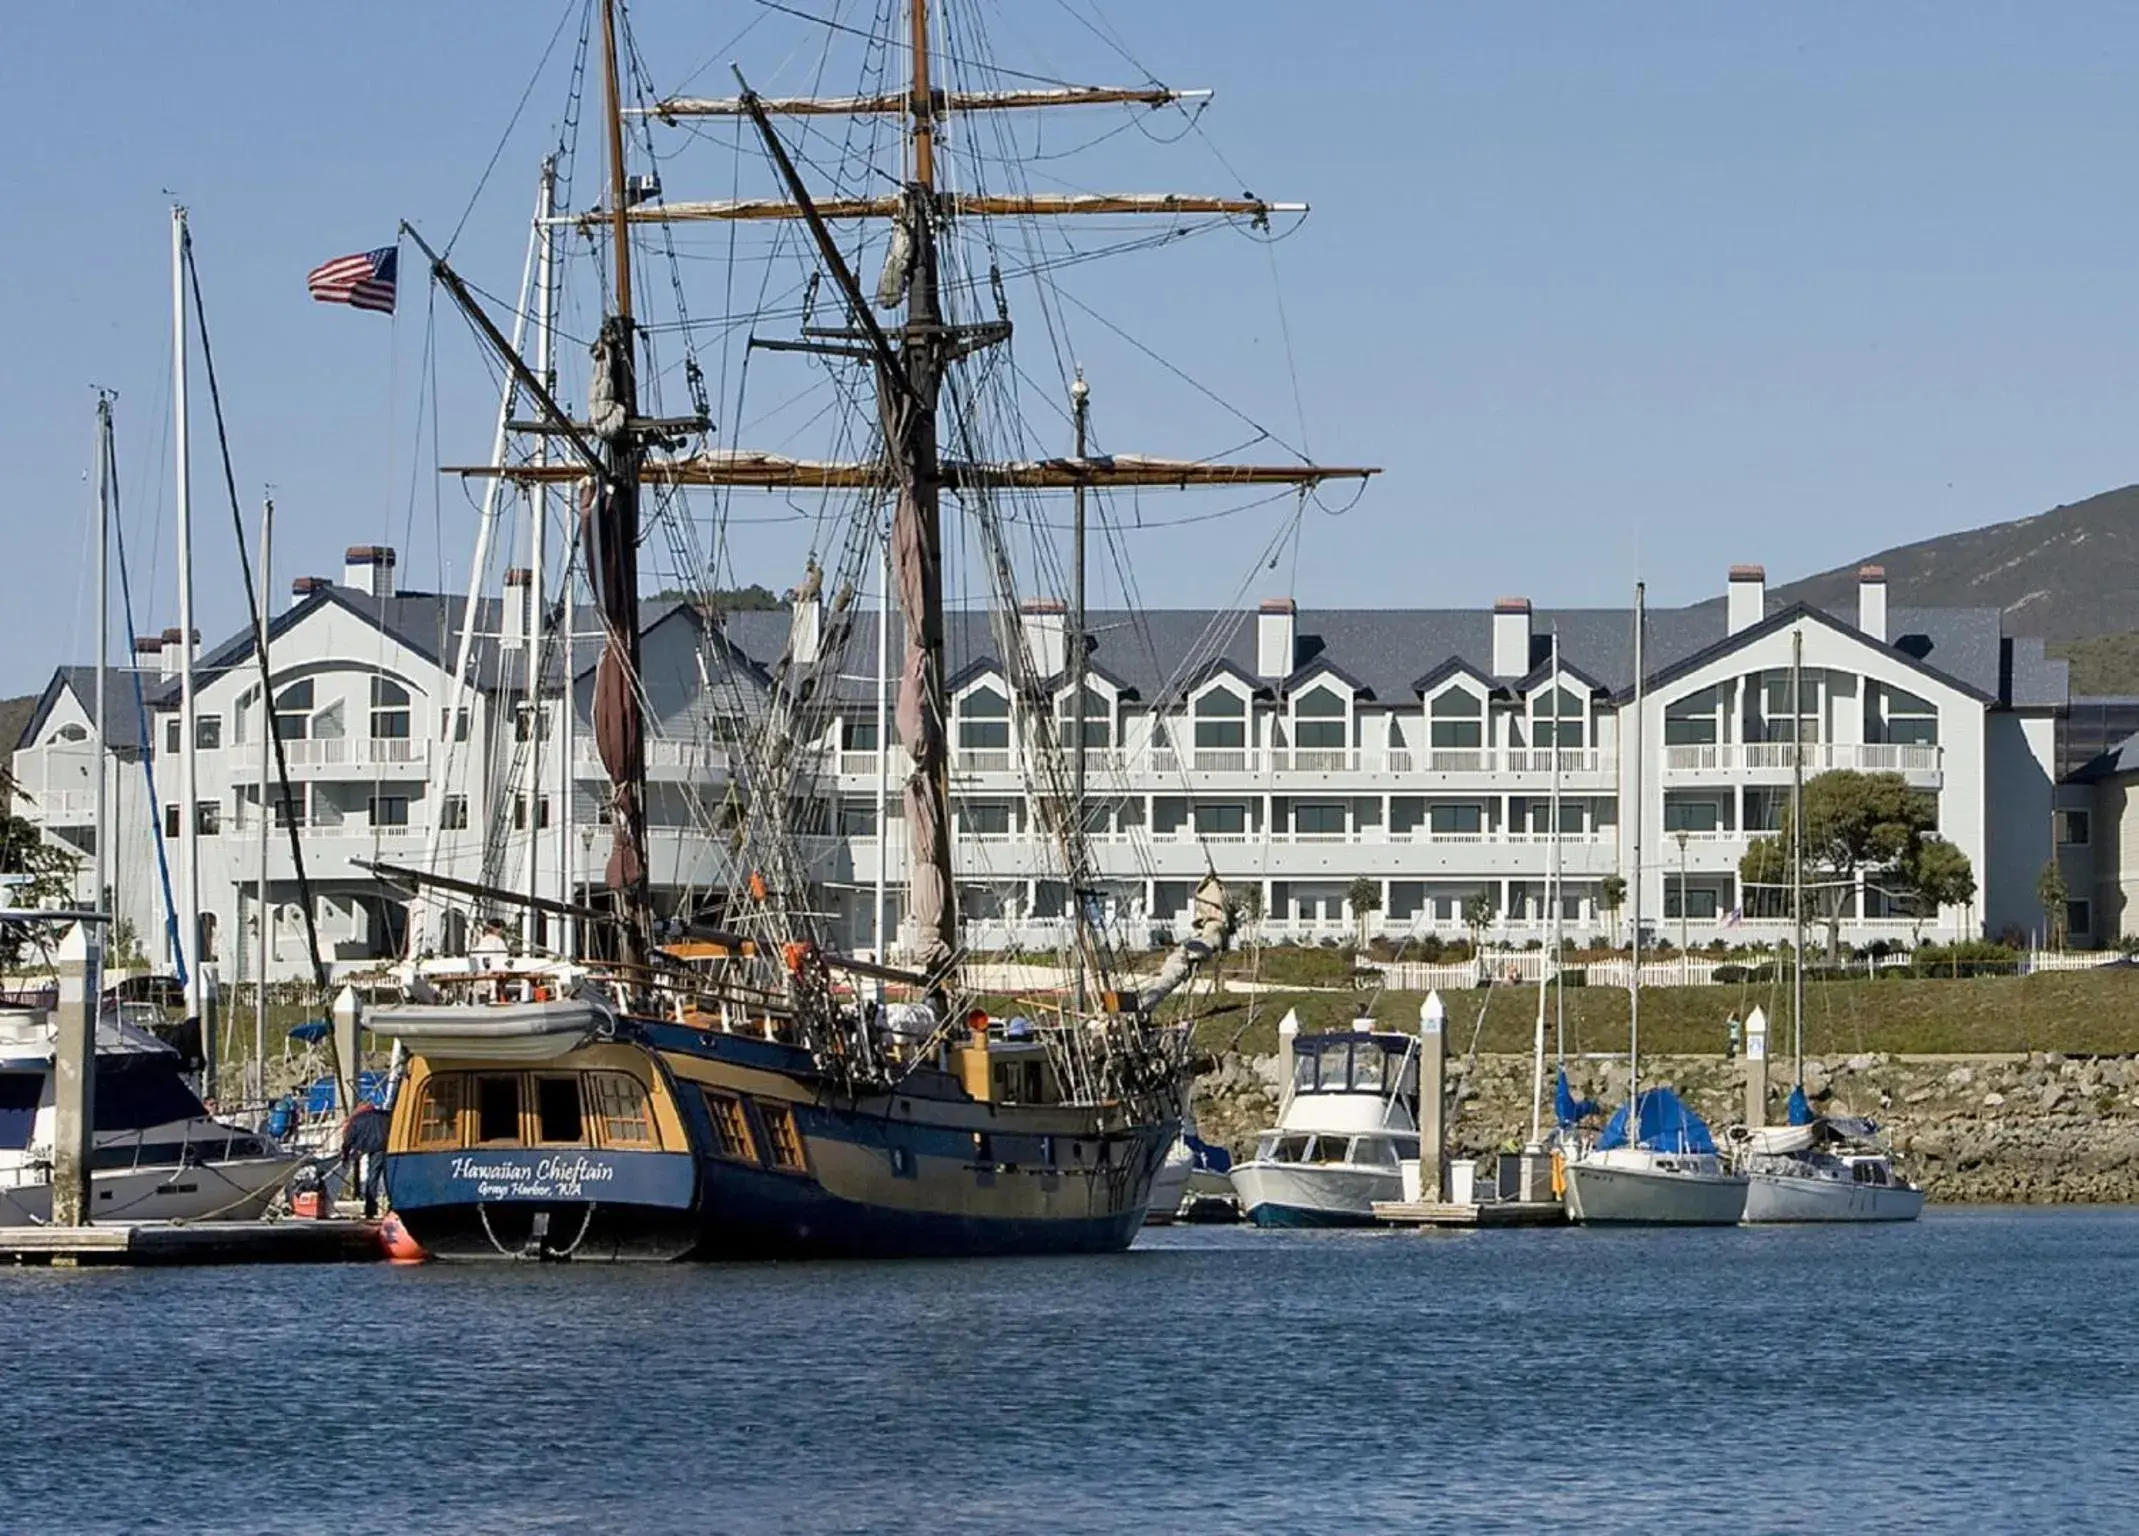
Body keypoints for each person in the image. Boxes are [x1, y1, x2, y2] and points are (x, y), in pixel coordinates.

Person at [340, 1100, 389, 1219]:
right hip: (387, 1147)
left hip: (371, 1148)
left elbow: (348, 1139)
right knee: (388, 1178)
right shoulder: (384, 1116)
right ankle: (392, 1206)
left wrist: (345, 1156)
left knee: (372, 1178)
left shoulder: (358, 1120)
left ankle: (370, 1209)